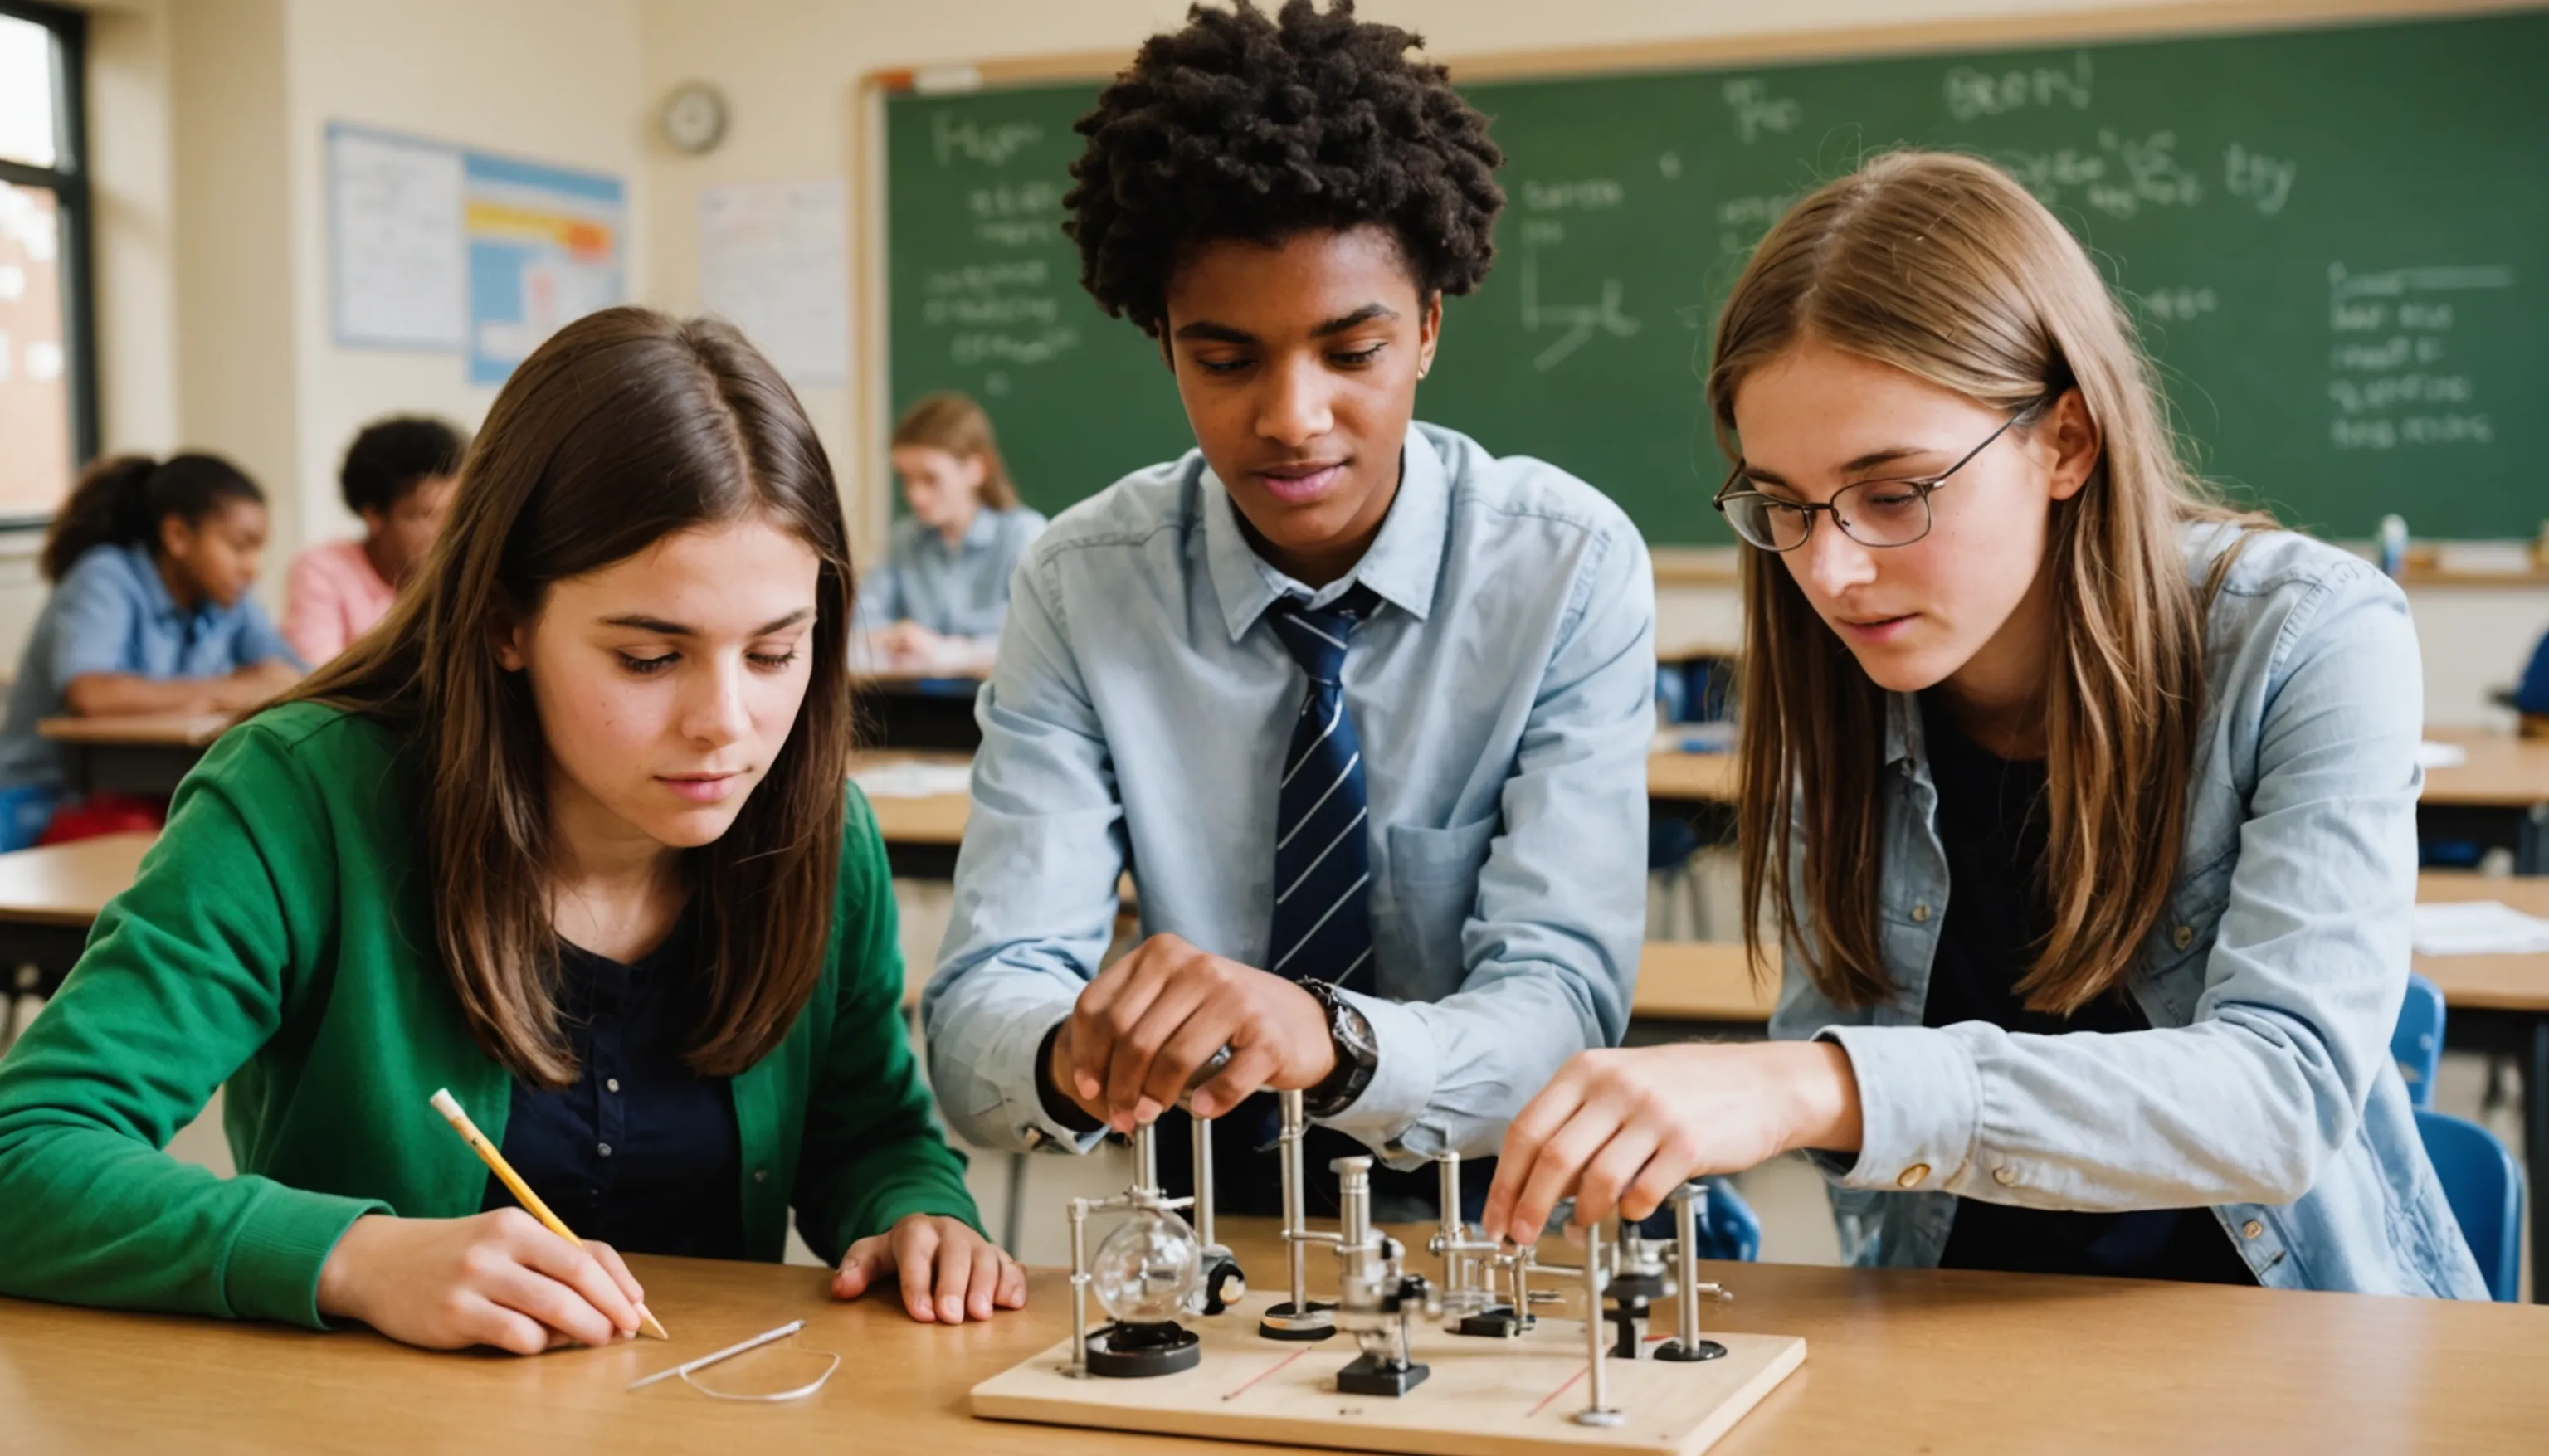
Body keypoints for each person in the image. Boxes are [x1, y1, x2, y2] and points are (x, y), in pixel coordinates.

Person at [1481, 151, 2486, 1298]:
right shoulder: (1836, 682)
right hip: (1955, 1327)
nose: (1835, 570)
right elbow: (1837, 1070)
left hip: (2295, 1340)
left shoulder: (2313, 637)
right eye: (1786, 506)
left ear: (2065, 440)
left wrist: (1817, 1086)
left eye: (1895, 491)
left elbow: (2279, 1097)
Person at [0, 307, 1025, 1352]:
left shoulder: (814, 827)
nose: (729, 724)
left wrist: (915, 1214)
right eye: (648, 657)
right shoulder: (300, 799)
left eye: (775, 654)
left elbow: (871, 1133)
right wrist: (354, 1259)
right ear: (504, 623)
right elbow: (25, 1153)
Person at [923, 0, 1653, 1222]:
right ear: (1162, 344)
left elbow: (1562, 1006)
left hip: (1495, 1217)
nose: (1292, 416)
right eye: (1226, 360)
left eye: (1350, 352)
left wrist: (1328, 1036)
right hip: (1205, 1212)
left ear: (1426, 329)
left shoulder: (1566, 569)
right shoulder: (1082, 581)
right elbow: (977, 1020)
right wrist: (1074, 1044)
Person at [0, 453, 300, 848]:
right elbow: (92, 694)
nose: (252, 568)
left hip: (148, 793)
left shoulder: (226, 598)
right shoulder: (105, 577)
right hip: (46, 798)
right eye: (238, 547)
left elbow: (289, 672)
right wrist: (225, 690)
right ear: (177, 536)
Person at [854, 392, 1046, 671]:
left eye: (931, 479)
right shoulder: (904, 539)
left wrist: (949, 653)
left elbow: (1042, 644)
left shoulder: (1024, 535)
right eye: (906, 479)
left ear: (977, 469)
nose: (915, 495)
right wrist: (898, 639)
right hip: (914, 704)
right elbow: (860, 628)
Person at [282, 415, 466, 664]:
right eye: (425, 515)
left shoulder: (462, 573)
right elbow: (314, 671)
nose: (446, 530)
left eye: (454, 513)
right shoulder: (322, 570)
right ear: (374, 515)